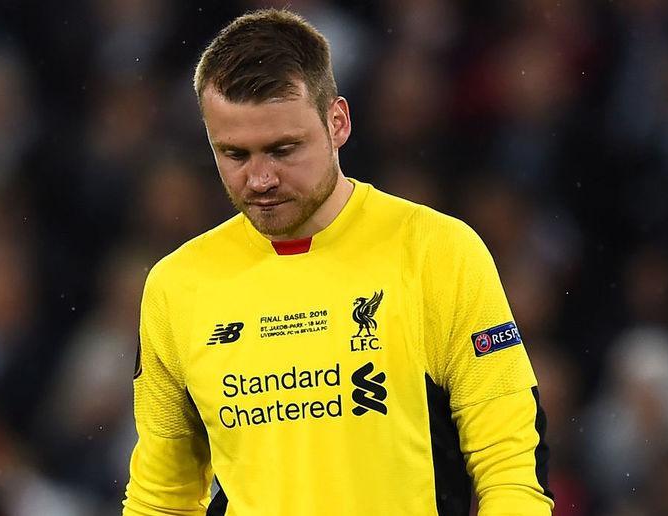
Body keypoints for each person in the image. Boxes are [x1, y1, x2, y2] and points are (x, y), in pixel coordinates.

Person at [123, 9, 553, 516]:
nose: (260, 179)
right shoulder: (178, 286)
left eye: (283, 149)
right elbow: (161, 499)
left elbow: (511, 470)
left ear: (338, 122)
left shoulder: (436, 253)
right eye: (235, 155)